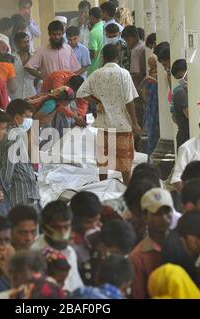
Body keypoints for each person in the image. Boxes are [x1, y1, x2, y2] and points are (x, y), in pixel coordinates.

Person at [77, 44, 141, 185]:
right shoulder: (124, 73)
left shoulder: (97, 74)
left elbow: (80, 92)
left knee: (103, 160)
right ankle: (127, 186)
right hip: (122, 124)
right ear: (118, 57)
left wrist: (97, 101)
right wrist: (135, 123)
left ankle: (102, 185)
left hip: (104, 124)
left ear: (103, 58)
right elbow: (129, 101)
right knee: (125, 161)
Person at [31, 201, 84, 293]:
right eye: (56, 227)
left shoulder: (70, 251)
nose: (62, 232)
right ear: (44, 227)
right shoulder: (36, 253)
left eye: (66, 227)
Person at [130, 188, 173, 299]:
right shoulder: (138, 257)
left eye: (167, 212)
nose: (164, 217)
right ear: (145, 217)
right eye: (157, 213)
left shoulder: (183, 242)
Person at [0, 100, 40, 208]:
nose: (30, 121)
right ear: (16, 117)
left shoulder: (15, 134)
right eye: (27, 117)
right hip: (20, 192)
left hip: (25, 190)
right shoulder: (13, 137)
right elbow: (7, 171)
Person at [70, 192, 103, 277]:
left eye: (97, 220)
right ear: (76, 221)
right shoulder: (72, 244)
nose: (94, 226)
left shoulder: (102, 232)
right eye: (88, 222)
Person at [10, 32, 37, 100]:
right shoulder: (11, 58)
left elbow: (38, 77)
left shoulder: (34, 57)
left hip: (31, 95)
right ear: (17, 44)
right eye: (23, 42)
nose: (27, 44)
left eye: (28, 41)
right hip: (15, 96)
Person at [170, 59, 190, 150]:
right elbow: (189, 114)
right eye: (179, 78)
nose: (181, 80)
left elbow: (174, 117)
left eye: (181, 76)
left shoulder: (178, 91)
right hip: (186, 135)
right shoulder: (181, 93)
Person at [87, 7, 105, 75]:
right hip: (103, 66)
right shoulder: (104, 27)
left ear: (91, 17)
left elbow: (93, 54)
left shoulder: (93, 32)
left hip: (94, 68)